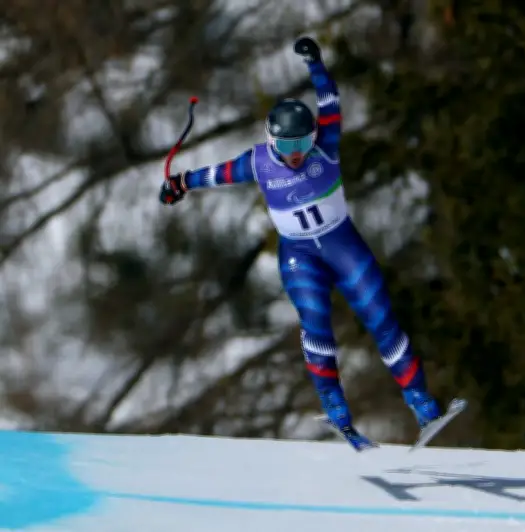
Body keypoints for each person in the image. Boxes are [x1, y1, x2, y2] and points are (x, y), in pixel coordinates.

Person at [159, 36, 442, 447]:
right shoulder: (259, 162)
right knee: (316, 324)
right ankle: (337, 410)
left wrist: (316, 64)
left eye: (302, 143)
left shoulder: (325, 147)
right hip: (299, 253)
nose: (295, 154)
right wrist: (181, 183)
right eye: (287, 146)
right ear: (272, 140)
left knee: (381, 318)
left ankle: (422, 404)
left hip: (342, 244)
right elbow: (218, 174)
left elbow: (330, 101)